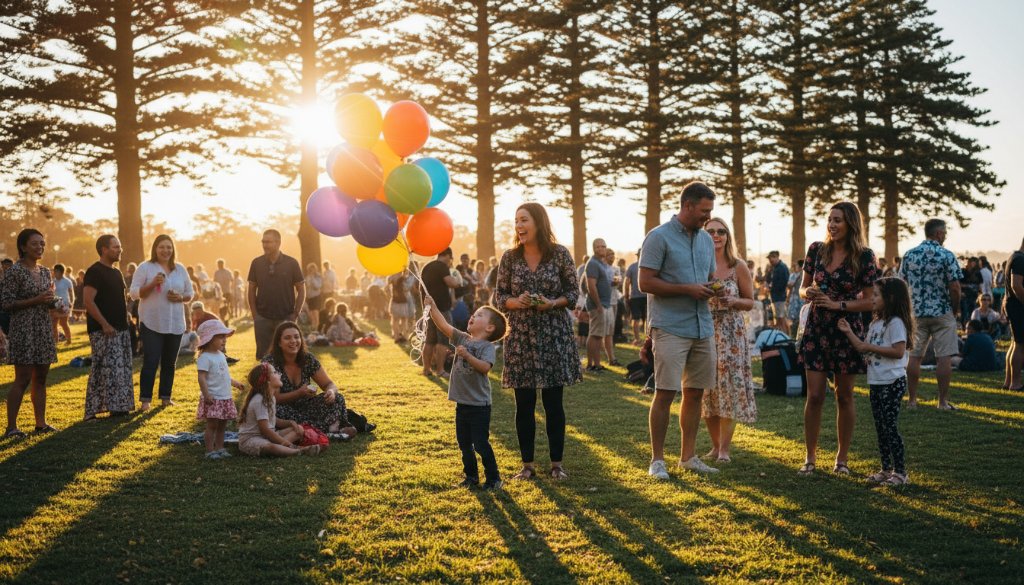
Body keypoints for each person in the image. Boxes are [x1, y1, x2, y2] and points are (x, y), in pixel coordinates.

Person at [494, 202, 581, 480]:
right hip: (520, 337)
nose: (519, 226)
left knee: (554, 403)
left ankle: (557, 465)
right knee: (525, 403)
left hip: (554, 335)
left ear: (539, 223)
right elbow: (499, 297)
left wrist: (552, 303)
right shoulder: (509, 258)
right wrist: (515, 302)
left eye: (524, 220)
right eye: (516, 221)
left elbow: (573, 293)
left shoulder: (559, 255)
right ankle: (527, 465)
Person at [640, 183, 719, 478]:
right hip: (670, 326)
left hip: (703, 326)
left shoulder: (706, 241)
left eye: (710, 211)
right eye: (704, 211)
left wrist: (715, 289)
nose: (707, 218)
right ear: (687, 206)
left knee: (695, 393)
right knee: (665, 393)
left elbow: (708, 277)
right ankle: (657, 460)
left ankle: (688, 456)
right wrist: (687, 289)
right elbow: (645, 282)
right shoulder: (658, 237)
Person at [797, 201, 880, 475]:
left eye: (838, 220)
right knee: (816, 395)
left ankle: (841, 460)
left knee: (844, 396)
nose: (832, 225)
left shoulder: (865, 256)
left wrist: (838, 305)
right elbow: (802, 288)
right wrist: (809, 294)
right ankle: (810, 458)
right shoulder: (816, 250)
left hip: (846, 330)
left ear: (851, 224)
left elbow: (870, 302)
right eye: (830, 219)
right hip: (817, 330)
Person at [424, 294, 507, 490]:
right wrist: (433, 305)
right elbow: (443, 325)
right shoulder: (463, 338)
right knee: (464, 444)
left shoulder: (487, 347)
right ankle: (471, 477)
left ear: (489, 328)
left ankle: (494, 478)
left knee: (480, 444)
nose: (473, 315)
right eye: (475, 313)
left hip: (479, 406)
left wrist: (467, 355)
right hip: (462, 404)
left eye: (479, 315)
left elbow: (485, 368)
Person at [836, 277, 914, 486]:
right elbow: (862, 347)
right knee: (880, 427)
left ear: (890, 298)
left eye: (876, 295)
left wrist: (870, 348)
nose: (872, 299)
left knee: (890, 426)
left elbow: (898, 352)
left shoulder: (896, 323)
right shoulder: (876, 323)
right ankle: (886, 469)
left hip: (892, 382)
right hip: (877, 382)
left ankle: (900, 472)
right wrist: (848, 332)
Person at [701, 218, 756, 463]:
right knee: (707, 390)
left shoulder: (738, 266)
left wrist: (733, 302)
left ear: (728, 236)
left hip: (732, 335)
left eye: (721, 231)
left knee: (729, 389)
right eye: (711, 231)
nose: (716, 235)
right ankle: (714, 446)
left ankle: (724, 449)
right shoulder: (699, 264)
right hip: (704, 331)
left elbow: (750, 301)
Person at [262, 322, 371, 436]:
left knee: (338, 398)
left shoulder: (307, 359)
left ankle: (321, 428)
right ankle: (330, 428)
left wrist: (331, 392)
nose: (293, 341)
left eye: (296, 337)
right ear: (279, 342)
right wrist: (299, 393)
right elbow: (273, 398)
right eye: (287, 338)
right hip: (283, 410)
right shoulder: (270, 362)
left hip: (307, 407)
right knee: (274, 410)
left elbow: (329, 383)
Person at [898, 219, 962, 410]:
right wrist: (955, 309)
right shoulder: (947, 255)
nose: (945, 236)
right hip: (942, 311)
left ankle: (912, 400)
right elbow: (955, 287)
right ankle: (942, 402)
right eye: (945, 233)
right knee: (944, 357)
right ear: (939, 234)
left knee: (914, 356)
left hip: (916, 312)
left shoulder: (909, 255)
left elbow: (901, 285)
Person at [1, 229, 58, 437]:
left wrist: (54, 302)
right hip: (23, 329)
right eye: (35, 244)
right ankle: (11, 427)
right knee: (23, 378)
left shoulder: (44, 271)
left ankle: (40, 423)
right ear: (23, 247)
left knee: (41, 377)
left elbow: (47, 299)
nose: (40, 247)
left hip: (43, 328)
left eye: (42, 244)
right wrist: (35, 300)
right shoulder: (14, 272)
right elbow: (6, 303)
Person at [130, 235, 194, 410]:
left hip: (175, 323)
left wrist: (180, 297)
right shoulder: (145, 267)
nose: (166, 251)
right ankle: (145, 400)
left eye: (169, 247)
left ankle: (166, 397)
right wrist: (152, 284)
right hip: (152, 323)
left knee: (169, 362)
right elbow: (134, 293)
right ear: (155, 249)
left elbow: (190, 293)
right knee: (151, 360)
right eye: (162, 247)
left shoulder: (180, 269)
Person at [82, 235, 135, 421]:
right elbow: (88, 301)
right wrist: (104, 324)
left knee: (120, 369)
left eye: (119, 246)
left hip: (121, 329)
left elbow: (119, 298)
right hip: (102, 329)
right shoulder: (95, 271)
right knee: (102, 368)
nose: (119, 250)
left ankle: (119, 407)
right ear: (104, 249)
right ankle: (91, 411)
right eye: (115, 247)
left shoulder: (116, 272)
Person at [237, 363, 322, 457]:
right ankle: (297, 451)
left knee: (299, 429)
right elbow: (265, 430)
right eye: (275, 372)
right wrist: (286, 443)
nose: (279, 374)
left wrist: (290, 423)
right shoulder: (260, 400)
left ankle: (283, 448)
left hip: (267, 436)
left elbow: (274, 420)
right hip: (252, 439)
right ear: (268, 381)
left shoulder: (271, 398)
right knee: (271, 447)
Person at [247, 229, 305, 359]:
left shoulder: (291, 263)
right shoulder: (256, 263)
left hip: (286, 317)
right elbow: (251, 289)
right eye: (263, 241)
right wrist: (255, 315)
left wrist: (295, 313)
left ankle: (285, 380)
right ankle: (266, 380)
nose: (265, 245)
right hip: (262, 318)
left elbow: (301, 289)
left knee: (287, 357)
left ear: (278, 243)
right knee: (263, 357)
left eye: (268, 242)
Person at [195, 320, 244, 459]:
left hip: (225, 397)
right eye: (221, 337)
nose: (224, 340)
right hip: (213, 397)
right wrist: (206, 394)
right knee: (212, 425)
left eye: (225, 337)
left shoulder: (221, 355)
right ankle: (210, 451)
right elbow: (202, 378)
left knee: (223, 426)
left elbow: (224, 375)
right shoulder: (205, 357)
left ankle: (220, 448)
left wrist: (235, 383)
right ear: (210, 339)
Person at [420, 248, 460, 377]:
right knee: (443, 340)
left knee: (429, 340)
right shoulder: (442, 266)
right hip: (441, 308)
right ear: (448, 255)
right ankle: (440, 370)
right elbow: (451, 283)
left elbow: (419, 287)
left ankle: (426, 369)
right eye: (450, 257)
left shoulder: (427, 266)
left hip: (429, 308)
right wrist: (458, 281)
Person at [584, 239, 612, 372]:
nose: (602, 249)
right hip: (597, 305)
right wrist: (598, 304)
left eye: (604, 246)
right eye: (598, 247)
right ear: (594, 248)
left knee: (598, 335)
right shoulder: (593, 263)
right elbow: (591, 286)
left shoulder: (601, 263)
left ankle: (596, 363)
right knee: (595, 335)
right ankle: (593, 365)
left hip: (604, 304)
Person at [1004, 240, 1024, 391]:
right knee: (1020, 345)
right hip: (1018, 306)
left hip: (1012, 304)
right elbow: (1016, 285)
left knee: (1014, 343)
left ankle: (1008, 381)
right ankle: (1015, 383)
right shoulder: (1020, 259)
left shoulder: (1014, 256)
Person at [624, 249, 646, 346]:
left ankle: (637, 339)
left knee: (635, 319)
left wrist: (626, 295)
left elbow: (627, 282)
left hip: (635, 297)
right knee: (647, 319)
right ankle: (647, 340)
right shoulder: (648, 267)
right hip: (646, 296)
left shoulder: (632, 267)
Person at [767, 251, 790, 333]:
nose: (770, 260)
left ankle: (784, 339)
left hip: (779, 297)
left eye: (771, 258)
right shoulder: (775, 267)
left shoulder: (782, 267)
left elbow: (784, 283)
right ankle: (785, 338)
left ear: (776, 257)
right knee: (779, 318)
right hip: (776, 297)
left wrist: (772, 288)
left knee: (780, 319)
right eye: (769, 259)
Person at [389, 269, 413, 343]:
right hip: (402, 300)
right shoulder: (403, 278)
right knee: (403, 319)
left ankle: (397, 337)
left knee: (395, 320)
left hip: (395, 300)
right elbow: (407, 288)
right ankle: (404, 337)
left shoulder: (391, 277)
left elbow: (387, 288)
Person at [786, 259, 805, 336]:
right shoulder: (797, 275)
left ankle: (795, 334)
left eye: (796, 265)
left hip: (797, 298)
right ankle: (795, 334)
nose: (795, 267)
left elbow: (790, 287)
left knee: (796, 317)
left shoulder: (797, 275)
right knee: (796, 317)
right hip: (799, 298)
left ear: (800, 266)